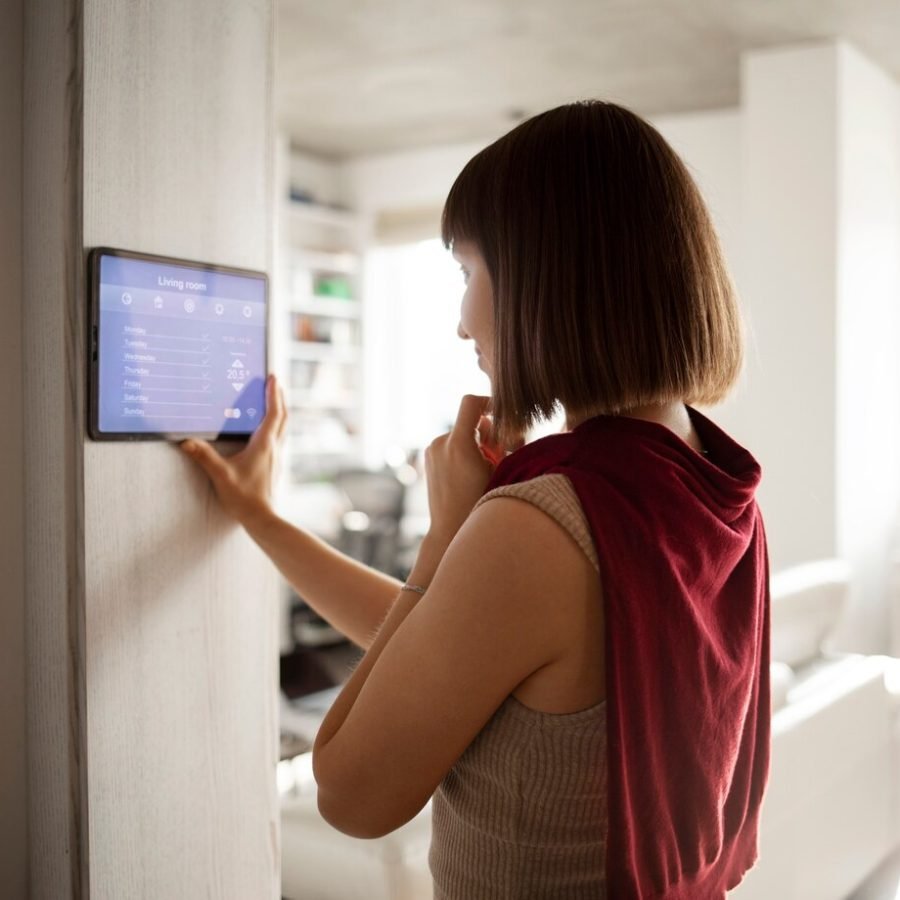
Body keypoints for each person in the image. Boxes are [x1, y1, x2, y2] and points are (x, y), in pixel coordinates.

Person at [181, 99, 770, 899]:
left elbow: (349, 794)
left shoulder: (540, 526)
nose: (463, 321)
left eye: (468, 273)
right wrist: (262, 518)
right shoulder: (702, 478)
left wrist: (449, 533)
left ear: (550, 278)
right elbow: (449, 644)